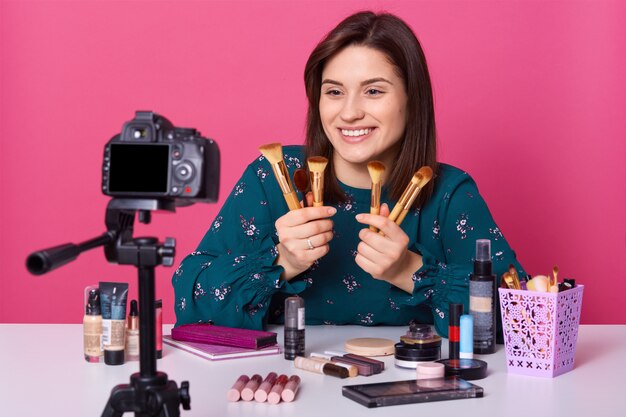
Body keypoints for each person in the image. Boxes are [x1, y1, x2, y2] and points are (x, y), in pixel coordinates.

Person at [172, 11, 524, 337]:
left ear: (412, 100)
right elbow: (191, 304)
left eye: (373, 91)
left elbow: (523, 321)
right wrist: (281, 260)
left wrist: (409, 270)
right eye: (334, 92)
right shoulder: (271, 178)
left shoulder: (448, 193)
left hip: (408, 392)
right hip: (287, 386)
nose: (350, 112)